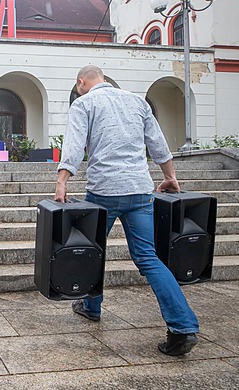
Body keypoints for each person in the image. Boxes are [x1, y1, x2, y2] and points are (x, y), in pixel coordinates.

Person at [55, 65, 199, 356]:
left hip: (103, 191)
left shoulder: (83, 103)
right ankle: (183, 326)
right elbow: (157, 143)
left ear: (82, 82)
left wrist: (62, 181)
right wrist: (170, 176)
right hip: (139, 190)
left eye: (78, 85)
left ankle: (91, 307)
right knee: (148, 257)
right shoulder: (137, 101)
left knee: (92, 251)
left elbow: (73, 145)